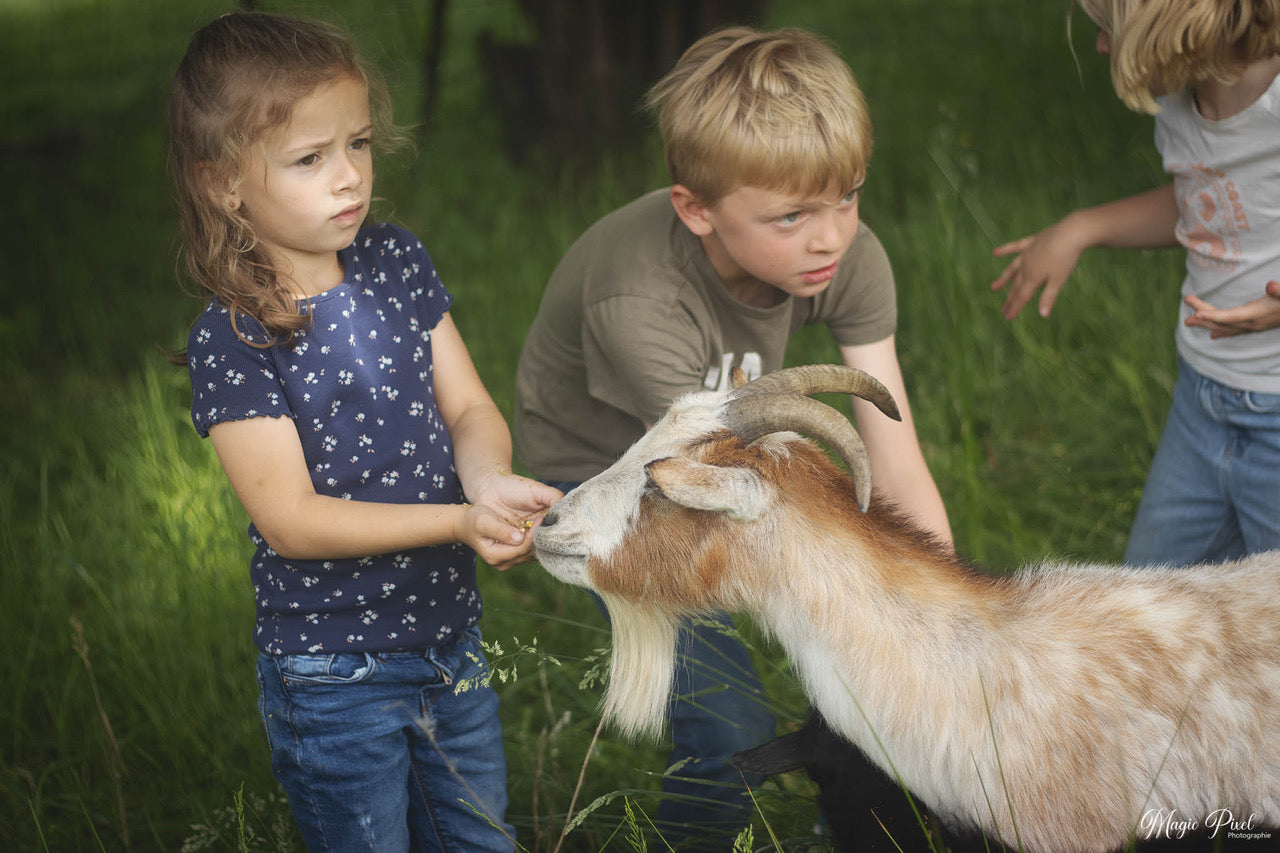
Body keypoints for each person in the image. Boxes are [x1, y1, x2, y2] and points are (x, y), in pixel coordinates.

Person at [514, 26, 953, 850]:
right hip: (618, 477)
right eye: (792, 215)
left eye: (848, 196)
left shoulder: (840, 255)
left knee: (892, 660)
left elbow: (892, 448)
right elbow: (712, 483)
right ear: (696, 209)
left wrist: (937, 606)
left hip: (731, 451)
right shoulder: (639, 300)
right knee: (730, 732)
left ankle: (851, 807)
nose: (831, 235)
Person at [169, 12, 560, 851]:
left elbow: (470, 410)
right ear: (223, 184)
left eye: (359, 143)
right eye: (310, 159)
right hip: (335, 676)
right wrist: (457, 519)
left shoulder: (395, 261)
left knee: (481, 841)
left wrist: (486, 480)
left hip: (450, 641)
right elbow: (293, 519)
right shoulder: (238, 336)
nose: (349, 176)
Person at [990, 0, 1280, 567]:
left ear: (1173, 31)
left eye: (1108, 30)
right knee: (1151, 598)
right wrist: (1082, 229)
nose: (1100, 46)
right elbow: (1211, 203)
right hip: (1200, 405)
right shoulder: (1179, 103)